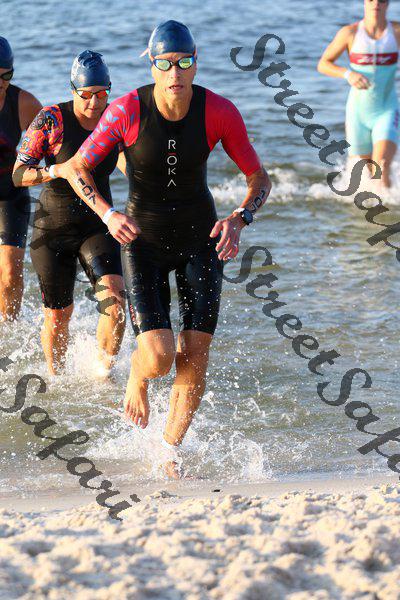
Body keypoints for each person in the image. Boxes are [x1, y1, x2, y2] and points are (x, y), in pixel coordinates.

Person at [51, 21, 271, 477]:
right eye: (166, 64)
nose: (176, 73)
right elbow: (77, 168)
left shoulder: (219, 111)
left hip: (200, 240)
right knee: (159, 355)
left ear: (196, 63)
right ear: (152, 65)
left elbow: (259, 179)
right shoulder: (127, 110)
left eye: (185, 62)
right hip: (142, 242)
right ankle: (136, 371)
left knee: (196, 353)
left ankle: (170, 448)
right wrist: (108, 214)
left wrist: (239, 218)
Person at [12, 50, 126, 377]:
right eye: (86, 94)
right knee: (58, 316)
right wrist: (56, 170)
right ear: (73, 89)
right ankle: (57, 379)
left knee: (115, 302)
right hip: (53, 229)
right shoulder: (51, 119)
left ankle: (103, 375)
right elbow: (19, 175)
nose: (94, 102)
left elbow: (128, 159)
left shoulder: (115, 118)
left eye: (102, 94)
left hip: (97, 225)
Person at [317, 0, 400, 188]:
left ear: (388, 4)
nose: (376, 3)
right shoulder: (350, 33)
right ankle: (375, 204)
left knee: (382, 165)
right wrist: (348, 74)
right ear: (364, 2)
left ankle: (388, 204)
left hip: (387, 109)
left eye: (381, 0)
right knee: (365, 172)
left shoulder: (396, 32)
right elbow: (323, 64)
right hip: (358, 113)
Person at [0, 36, 41, 320]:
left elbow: (55, 144)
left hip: (10, 193)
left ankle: (8, 334)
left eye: (7, 75)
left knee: (11, 273)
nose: (1, 82)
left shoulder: (24, 103)